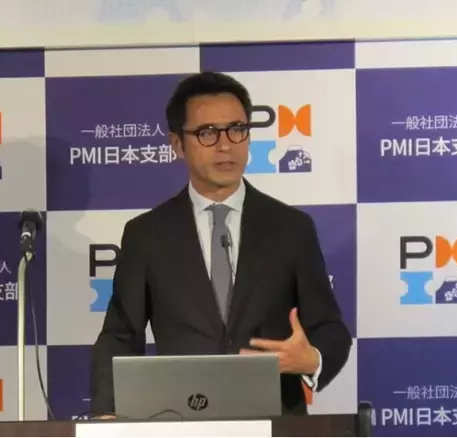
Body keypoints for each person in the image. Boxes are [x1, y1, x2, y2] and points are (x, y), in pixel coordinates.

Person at [90, 71, 352, 418]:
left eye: (236, 129)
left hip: (273, 420)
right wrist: (108, 413)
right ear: (177, 144)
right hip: (180, 418)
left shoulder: (292, 228)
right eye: (207, 132)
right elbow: (120, 335)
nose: (225, 144)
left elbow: (329, 327)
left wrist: (312, 358)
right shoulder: (145, 235)